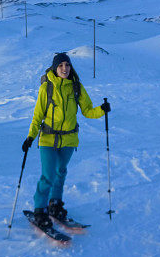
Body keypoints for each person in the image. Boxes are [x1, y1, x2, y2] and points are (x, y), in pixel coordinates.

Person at [22, 52, 110, 228]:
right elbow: (38, 115)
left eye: (67, 65)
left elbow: (87, 111)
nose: (65, 68)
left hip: (69, 139)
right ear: (55, 68)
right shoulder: (46, 87)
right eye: (61, 65)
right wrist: (30, 136)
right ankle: (40, 210)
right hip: (48, 139)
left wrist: (102, 109)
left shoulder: (76, 87)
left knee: (61, 172)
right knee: (48, 175)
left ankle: (55, 204)